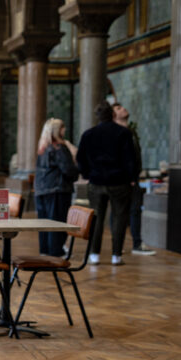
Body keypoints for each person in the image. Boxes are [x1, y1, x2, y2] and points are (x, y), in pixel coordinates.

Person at [76, 101, 138, 266]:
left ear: (98, 116)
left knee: (96, 219)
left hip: (96, 182)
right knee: (119, 218)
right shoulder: (123, 133)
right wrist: (132, 177)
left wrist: (87, 174)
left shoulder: (88, 134)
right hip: (119, 182)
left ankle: (94, 255)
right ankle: (116, 255)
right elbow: (130, 158)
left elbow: (80, 159)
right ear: (112, 115)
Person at [112, 104, 156, 256]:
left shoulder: (131, 132)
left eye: (122, 107)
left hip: (134, 178)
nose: (123, 109)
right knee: (118, 212)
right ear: (113, 116)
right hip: (122, 179)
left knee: (135, 210)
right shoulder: (116, 133)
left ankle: (136, 243)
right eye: (118, 109)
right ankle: (117, 245)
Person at [34, 118, 79, 256]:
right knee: (57, 221)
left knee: (44, 223)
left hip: (41, 190)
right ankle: (56, 252)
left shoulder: (43, 148)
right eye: (62, 127)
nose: (64, 130)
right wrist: (75, 157)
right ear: (57, 130)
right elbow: (69, 170)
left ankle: (45, 250)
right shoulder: (59, 147)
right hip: (57, 189)